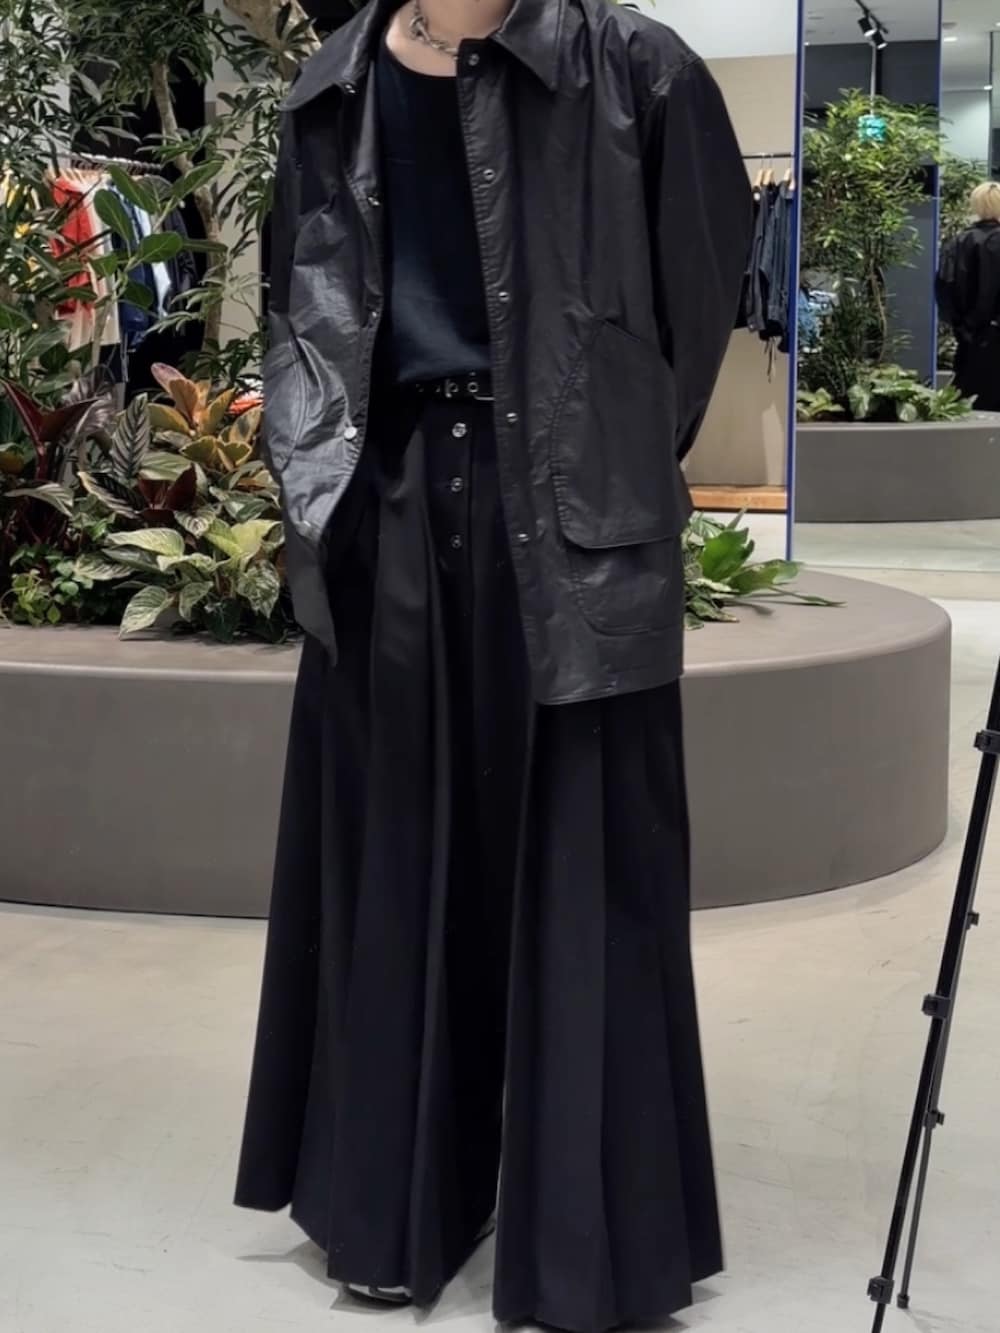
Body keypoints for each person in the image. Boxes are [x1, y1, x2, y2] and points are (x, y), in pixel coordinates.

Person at [234, 1, 752, 1329]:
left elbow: (694, 316)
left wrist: (592, 453)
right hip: (389, 508)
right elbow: (304, 309)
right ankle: (399, 1203)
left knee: (587, 861)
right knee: (399, 852)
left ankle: (590, 1232)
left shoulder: (638, 71)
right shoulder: (335, 82)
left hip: (573, 510)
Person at [937, 180, 1000, 410]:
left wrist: (962, 326)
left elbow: (945, 287)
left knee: (971, 405)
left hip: (970, 340)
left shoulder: (958, 242)